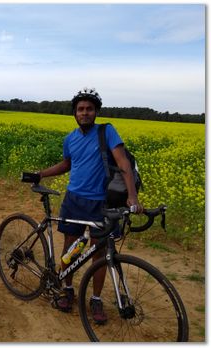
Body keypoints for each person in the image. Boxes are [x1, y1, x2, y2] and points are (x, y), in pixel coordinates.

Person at [38, 87, 142, 324]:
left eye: (89, 109)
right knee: (69, 246)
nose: (84, 113)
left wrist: (133, 197)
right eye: (80, 109)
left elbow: (123, 161)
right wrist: (41, 174)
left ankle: (95, 298)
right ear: (75, 113)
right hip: (74, 199)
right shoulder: (70, 139)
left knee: (100, 253)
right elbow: (67, 164)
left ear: (96, 112)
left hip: (101, 202)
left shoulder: (107, 132)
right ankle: (67, 289)